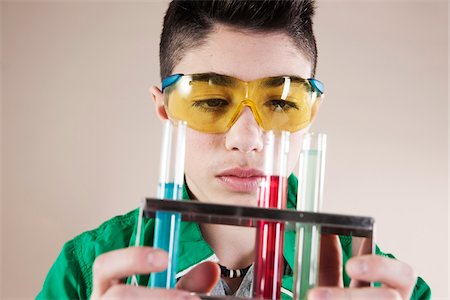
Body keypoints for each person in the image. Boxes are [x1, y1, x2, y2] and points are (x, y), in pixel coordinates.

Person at [37, 1, 431, 299]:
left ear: (310, 114)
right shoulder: (86, 272)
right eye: (210, 100)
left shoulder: (382, 288)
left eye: (279, 103)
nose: (247, 138)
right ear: (164, 108)